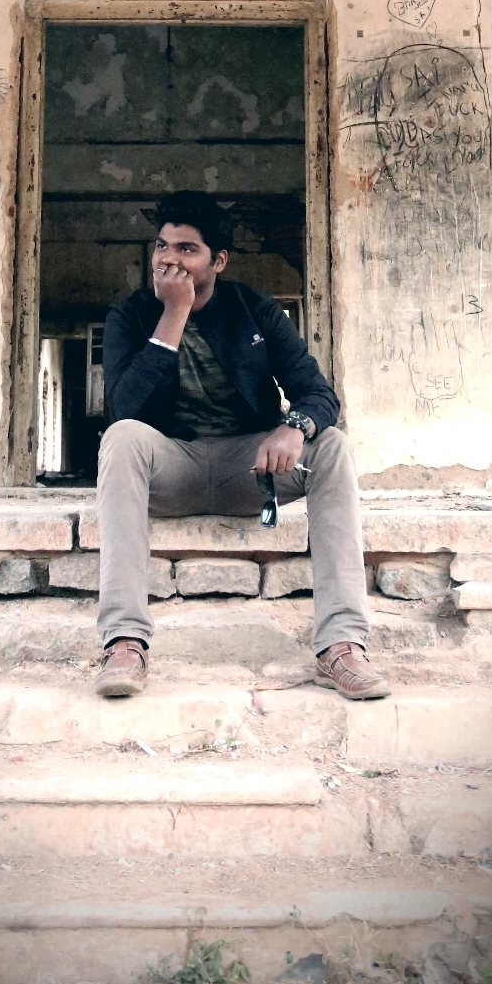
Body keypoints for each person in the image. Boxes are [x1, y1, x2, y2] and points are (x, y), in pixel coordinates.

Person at [93, 190, 388, 702]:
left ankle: (341, 645)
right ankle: (124, 642)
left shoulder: (255, 310)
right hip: (172, 467)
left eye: (187, 249)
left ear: (219, 261)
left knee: (333, 446)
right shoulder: (132, 315)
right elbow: (124, 408)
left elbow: (319, 394)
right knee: (121, 438)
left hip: (250, 470)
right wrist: (173, 315)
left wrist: (294, 427)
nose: (168, 260)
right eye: (162, 246)